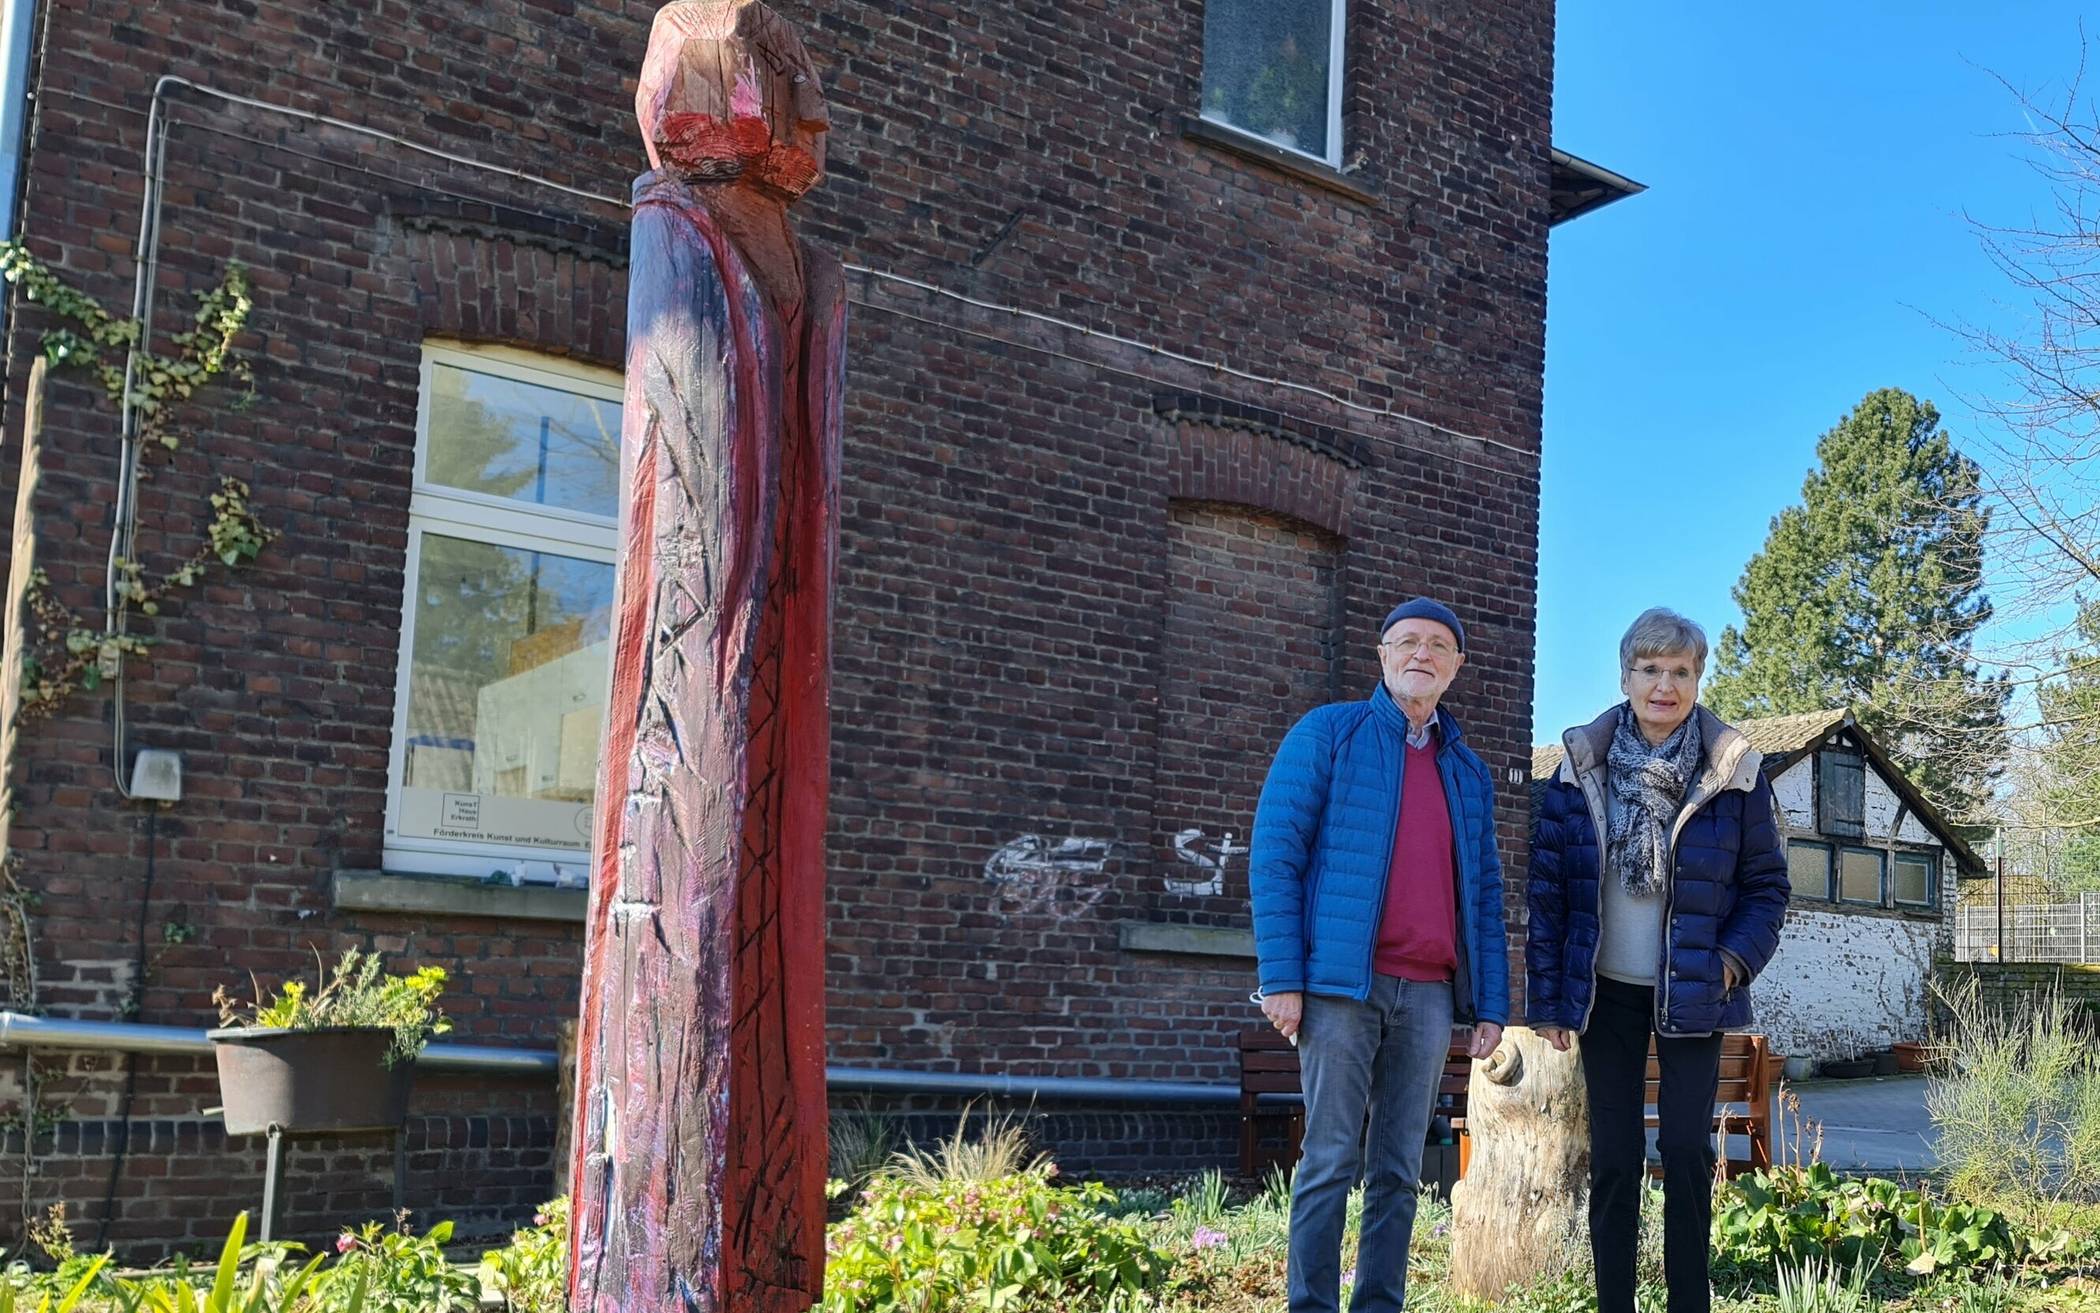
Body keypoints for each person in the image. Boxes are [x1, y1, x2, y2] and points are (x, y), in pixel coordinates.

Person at [1251, 597, 1511, 1313]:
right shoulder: (1328, 734)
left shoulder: (1468, 772)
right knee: (1329, 1160)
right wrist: (1281, 977)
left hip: (1428, 993)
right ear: (1382, 654)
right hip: (1339, 989)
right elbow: (1275, 857)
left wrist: (1492, 1002)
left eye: (1437, 645)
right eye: (1406, 641)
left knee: (1398, 1170)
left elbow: (1483, 893)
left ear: (1456, 666)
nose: (1421, 653)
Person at [1526, 608, 1791, 1313]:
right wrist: (1551, 999)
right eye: (1650, 669)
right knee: (1614, 1159)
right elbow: (1549, 893)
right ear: (1625, 676)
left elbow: (1768, 888)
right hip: (1605, 993)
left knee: (1685, 1152)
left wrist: (1731, 962)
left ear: (1698, 679)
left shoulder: (1733, 772)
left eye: (1680, 671)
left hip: (1694, 992)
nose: (1664, 685)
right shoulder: (1576, 767)